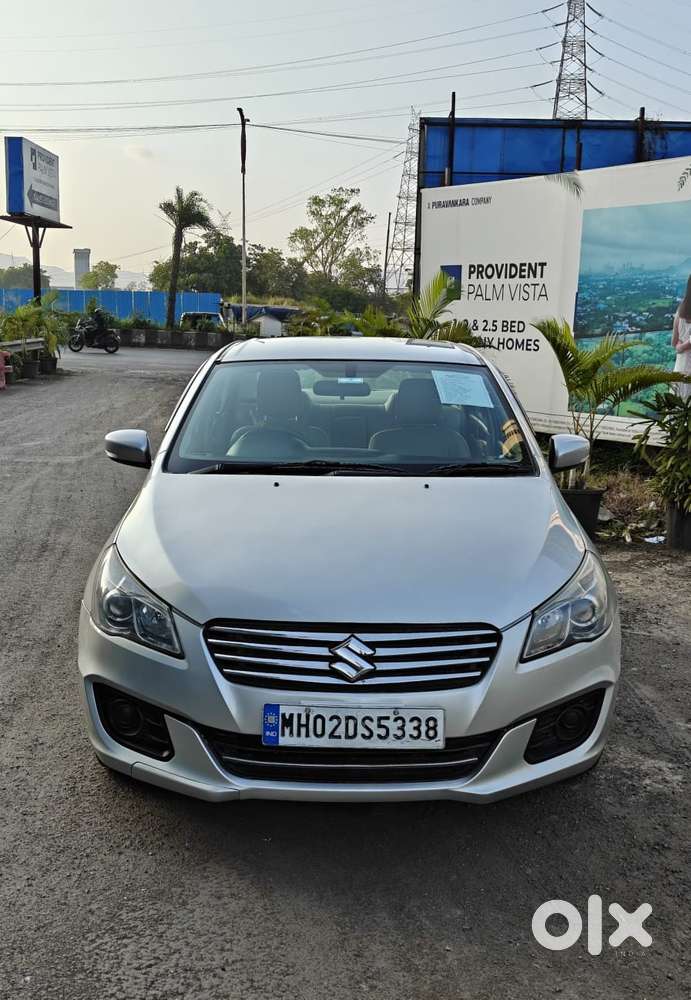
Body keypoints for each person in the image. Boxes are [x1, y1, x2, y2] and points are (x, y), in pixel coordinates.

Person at [672, 275, 691, 401]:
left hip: (681, 365)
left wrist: (680, 346)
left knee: (678, 404)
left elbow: (674, 342)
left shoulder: (681, 310)